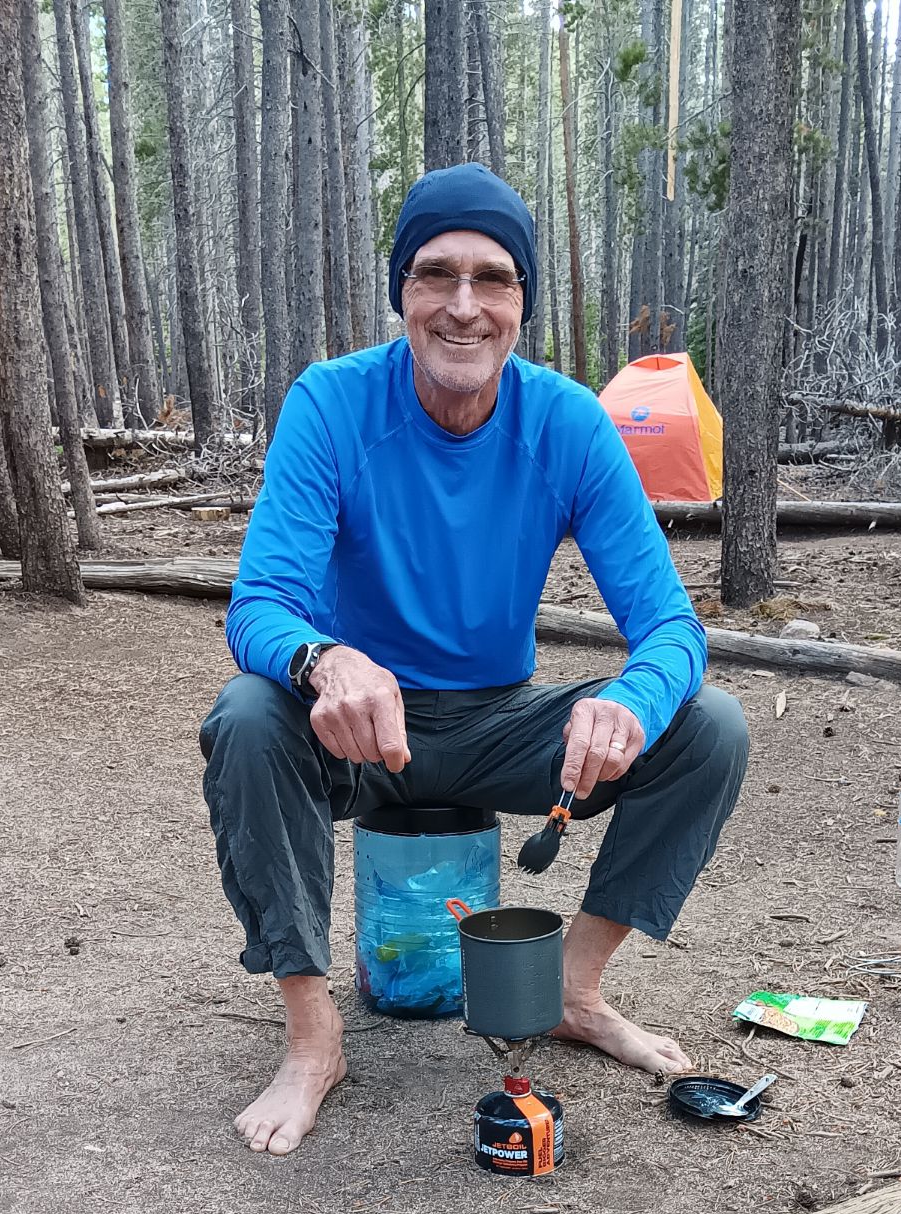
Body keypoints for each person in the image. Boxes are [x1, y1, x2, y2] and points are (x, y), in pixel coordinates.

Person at [201, 164, 748, 1155]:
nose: (464, 306)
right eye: (435, 275)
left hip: (500, 724)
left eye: (492, 279)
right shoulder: (332, 404)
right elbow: (260, 605)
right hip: (359, 732)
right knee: (245, 716)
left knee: (706, 723)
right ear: (402, 291)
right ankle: (313, 1037)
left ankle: (571, 990)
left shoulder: (568, 423)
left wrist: (630, 697)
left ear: (522, 301)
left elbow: (672, 628)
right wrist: (325, 660)